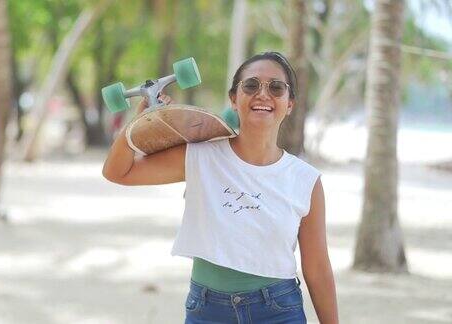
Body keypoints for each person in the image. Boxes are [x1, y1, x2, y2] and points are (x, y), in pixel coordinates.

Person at [102, 52, 339, 324]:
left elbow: (318, 268)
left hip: (278, 311)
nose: (263, 94)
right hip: (208, 310)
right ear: (234, 99)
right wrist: (138, 120)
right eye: (251, 85)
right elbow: (118, 171)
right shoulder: (201, 156)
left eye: (276, 87)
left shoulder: (305, 180)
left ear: (290, 104)